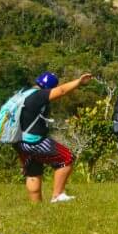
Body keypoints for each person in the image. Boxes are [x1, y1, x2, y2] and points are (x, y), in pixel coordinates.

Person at [14, 71, 93, 204]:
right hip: (34, 140)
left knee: (33, 172)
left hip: (18, 140)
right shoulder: (39, 95)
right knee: (66, 158)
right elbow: (61, 91)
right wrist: (79, 82)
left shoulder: (22, 95)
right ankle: (58, 195)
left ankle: (35, 205)